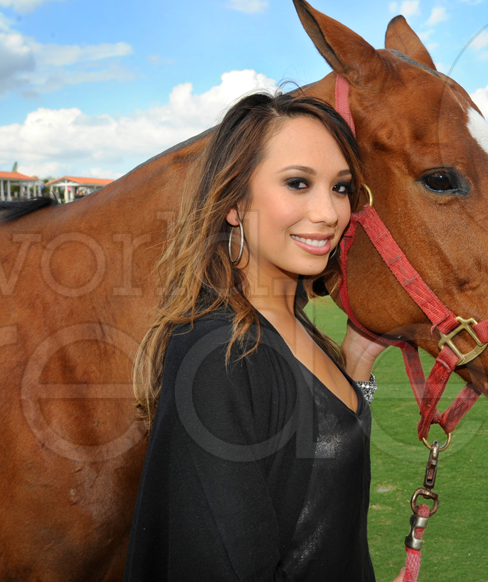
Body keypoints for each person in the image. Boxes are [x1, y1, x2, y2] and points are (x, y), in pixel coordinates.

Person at [125, 91, 403, 582]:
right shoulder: (217, 353)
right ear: (234, 202)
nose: (328, 213)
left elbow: (309, 473)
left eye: (340, 189)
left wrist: (355, 366)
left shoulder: (295, 326)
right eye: (298, 183)